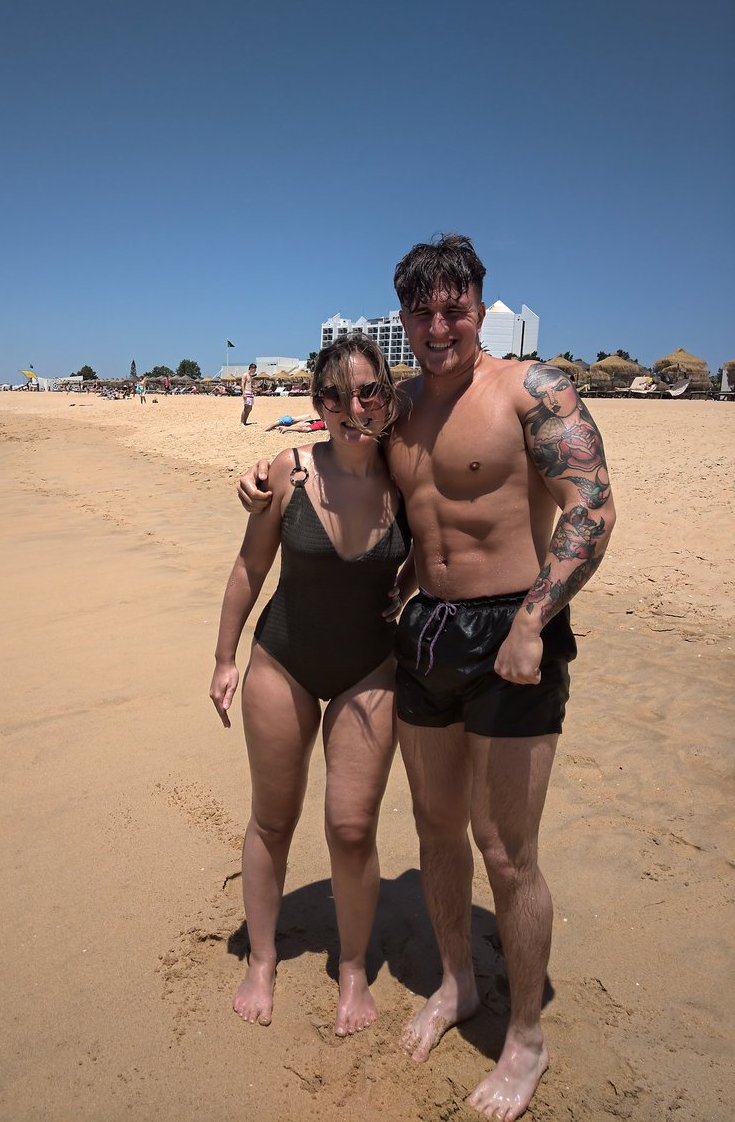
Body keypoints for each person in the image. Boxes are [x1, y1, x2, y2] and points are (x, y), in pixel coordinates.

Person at [238, 234, 615, 1121]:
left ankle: (526, 1036)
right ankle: (456, 983)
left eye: (455, 308)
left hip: (513, 631)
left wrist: (532, 623)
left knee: (506, 852)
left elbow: (591, 508)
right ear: (404, 319)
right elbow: (333, 444)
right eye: (423, 312)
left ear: (479, 306)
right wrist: (259, 475)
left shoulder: (532, 390)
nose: (440, 326)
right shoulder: (398, 407)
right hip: (426, 632)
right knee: (436, 829)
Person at [211, 335, 415, 1037]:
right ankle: (262, 959)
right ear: (316, 404)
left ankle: (352, 968)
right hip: (284, 661)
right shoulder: (289, 471)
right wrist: (225, 657)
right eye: (333, 395)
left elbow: (450, 546)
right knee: (273, 819)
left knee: (352, 829)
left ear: (388, 398)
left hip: (369, 668)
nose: (352, 408)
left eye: (367, 392)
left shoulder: (407, 477)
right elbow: (250, 567)